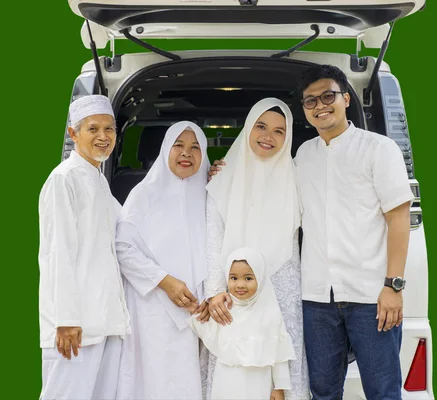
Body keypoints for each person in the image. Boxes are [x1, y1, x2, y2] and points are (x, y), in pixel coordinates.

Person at [295, 65, 414, 399]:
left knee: (383, 390)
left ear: (346, 98)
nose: (320, 105)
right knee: (322, 391)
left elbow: (398, 217)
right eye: (310, 101)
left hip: (371, 295)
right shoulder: (303, 155)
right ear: (305, 111)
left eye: (328, 96)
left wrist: (394, 286)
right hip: (317, 296)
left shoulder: (379, 148)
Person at [204, 98, 310, 400]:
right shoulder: (223, 176)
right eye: (261, 127)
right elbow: (214, 239)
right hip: (233, 293)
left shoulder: (298, 176)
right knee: (234, 375)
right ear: (248, 128)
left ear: (288, 137)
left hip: (282, 289)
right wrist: (215, 292)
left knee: (279, 376)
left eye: (279, 131)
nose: (269, 136)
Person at [37, 95, 130, 400]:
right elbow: (57, 253)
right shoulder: (64, 179)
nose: (103, 137)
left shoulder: (98, 179)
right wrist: (66, 319)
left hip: (102, 320)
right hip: (75, 326)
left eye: (109, 129)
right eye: (93, 129)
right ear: (72, 133)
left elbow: (129, 231)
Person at [115, 121, 211, 400]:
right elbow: (123, 249)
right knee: (154, 383)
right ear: (165, 149)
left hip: (198, 312)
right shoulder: (143, 194)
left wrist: (210, 294)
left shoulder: (210, 195)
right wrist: (165, 282)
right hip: (151, 311)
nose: (186, 153)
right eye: (178, 145)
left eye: (195, 147)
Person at [189, 247, 295, 400]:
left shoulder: (269, 313)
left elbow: (279, 355)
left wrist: (279, 387)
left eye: (248, 278)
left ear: (260, 278)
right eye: (234, 278)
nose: (240, 285)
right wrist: (193, 309)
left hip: (258, 383)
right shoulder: (225, 310)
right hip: (227, 382)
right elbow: (207, 329)